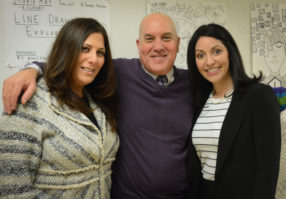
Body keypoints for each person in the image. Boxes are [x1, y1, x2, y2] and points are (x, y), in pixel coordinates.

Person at [2, 13, 194, 198]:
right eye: (150, 38)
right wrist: (31, 69)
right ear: (139, 45)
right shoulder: (120, 72)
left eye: (166, 38)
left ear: (177, 43)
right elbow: (68, 64)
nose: (158, 46)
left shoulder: (193, 84)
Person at [0, 18, 119, 199]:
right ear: (66, 50)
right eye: (84, 49)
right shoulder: (30, 101)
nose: (94, 59)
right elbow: (11, 186)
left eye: (100, 52)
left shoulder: (96, 99)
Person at [186, 23, 281, 199]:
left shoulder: (258, 95)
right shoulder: (199, 103)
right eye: (200, 55)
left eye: (216, 51)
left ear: (230, 52)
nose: (209, 61)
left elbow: (268, 168)